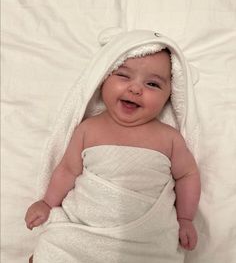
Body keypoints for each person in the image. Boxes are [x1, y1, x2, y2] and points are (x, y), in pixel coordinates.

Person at [25, 48, 200, 252]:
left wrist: (185, 218)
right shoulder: (88, 129)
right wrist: (47, 203)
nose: (135, 89)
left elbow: (187, 174)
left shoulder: (169, 137)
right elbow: (68, 170)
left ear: (169, 95)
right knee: (53, 253)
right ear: (102, 80)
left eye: (152, 84)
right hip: (85, 229)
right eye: (123, 76)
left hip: (144, 239)